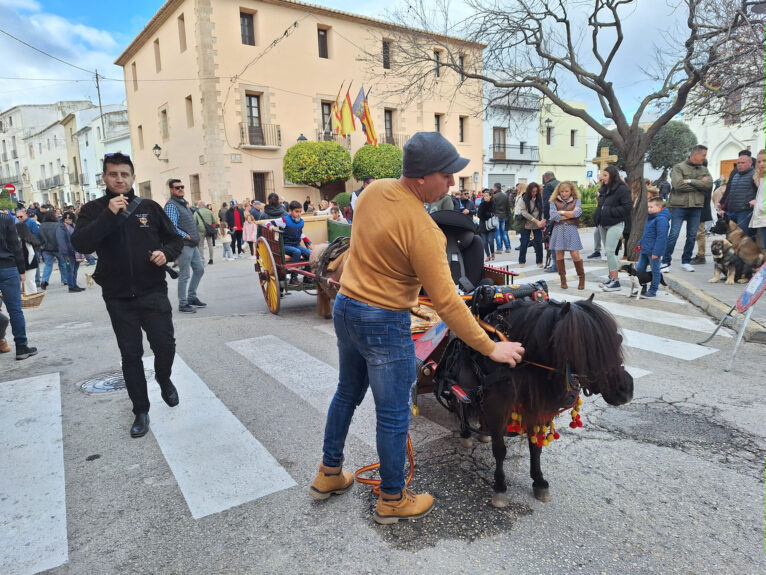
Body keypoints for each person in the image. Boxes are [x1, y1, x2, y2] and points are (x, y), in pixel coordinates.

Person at [309, 131, 524, 524]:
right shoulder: (424, 230)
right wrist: (490, 347)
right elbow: (448, 303)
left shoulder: (374, 192)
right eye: (448, 175)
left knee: (346, 393)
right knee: (392, 414)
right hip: (383, 320)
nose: (453, 183)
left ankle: (328, 473)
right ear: (423, 177)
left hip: (347, 307)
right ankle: (392, 498)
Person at [71, 153, 184, 437]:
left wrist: (165, 253)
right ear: (104, 178)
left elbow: (175, 239)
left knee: (165, 345)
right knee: (130, 354)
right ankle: (141, 411)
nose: (119, 179)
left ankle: (164, 377)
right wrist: (109, 214)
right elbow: (81, 242)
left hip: (153, 290)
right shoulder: (93, 210)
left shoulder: (149, 207)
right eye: (113, 174)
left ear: (132, 177)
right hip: (118, 297)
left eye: (124, 174)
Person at [661, 145, 713, 272]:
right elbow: (678, 185)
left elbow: (708, 184)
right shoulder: (678, 167)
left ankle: (686, 261)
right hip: (679, 206)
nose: (705, 158)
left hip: (696, 206)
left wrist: (689, 180)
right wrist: (699, 184)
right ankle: (665, 262)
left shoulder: (704, 169)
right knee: (674, 234)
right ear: (695, 154)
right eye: (703, 155)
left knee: (692, 235)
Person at [0, 209, 37, 360]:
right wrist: (21, 270)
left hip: (8, 268)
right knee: (15, 310)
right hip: (8, 267)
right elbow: (15, 246)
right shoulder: (5, 219)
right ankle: (21, 347)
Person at [164, 179, 206, 313]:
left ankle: (191, 297)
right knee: (184, 274)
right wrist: (186, 235)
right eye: (177, 187)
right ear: (171, 190)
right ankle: (183, 303)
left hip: (192, 244)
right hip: (184, 245)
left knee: (199, 269)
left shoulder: (182, 203)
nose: (180, 189)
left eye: (182, 186)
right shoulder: (171, 205)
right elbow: (171, 226)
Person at [594, 165, 631, 291]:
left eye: (605, 175)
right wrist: (598, 216)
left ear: (612, 176)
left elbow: (627, 208)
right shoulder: (604, 189)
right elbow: (601, 205)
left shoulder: (622, 189)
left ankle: (616, 281)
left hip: (615, 223)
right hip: (603, 224)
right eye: (601, 175)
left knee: (610, 251)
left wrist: (609, 211)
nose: (602, 177)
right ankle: (611, 277)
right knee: (608, 252)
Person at [265, 201, 313, 284]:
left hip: (295, 245)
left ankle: (307, 277)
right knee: (296, 252)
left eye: (300, 211)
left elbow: (300, 233)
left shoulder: (301, 221)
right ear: (290, 211)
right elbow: (267, 222)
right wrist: (271, 226)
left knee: (309, 253)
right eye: (296, 211)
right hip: (285, 245)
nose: (299, 214)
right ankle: (293, 278)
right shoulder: (284, 220)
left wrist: (309, 242)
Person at [548, 181, 585, 289]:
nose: (564, 193)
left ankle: (581, 278)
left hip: (571, 229)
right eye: (562, 191)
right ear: (558, 191)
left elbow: (577, 213)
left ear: (571, 191)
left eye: (566, 191)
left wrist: (561, 212)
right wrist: (570, 214)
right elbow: (553, 216)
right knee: (559, 255)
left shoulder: (576, 200)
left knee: (575, 255)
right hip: (558, 230)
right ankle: (563, 280)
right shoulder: (553, 201)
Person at [635, 196, 670, 299]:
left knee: (655, 271)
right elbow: (646, 234)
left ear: (659, 207)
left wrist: (657, 252)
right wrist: (639, 244)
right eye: (648, 207)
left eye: (651, 207)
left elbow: (662, 237)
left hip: (654, 251)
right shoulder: (651, 218)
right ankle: (643, 288)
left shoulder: (661, 220)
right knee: (640, 268)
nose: (648, 209)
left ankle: (653, 290)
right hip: (645, 249)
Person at [722, 150, 758, 237]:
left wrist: (756, 200)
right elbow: (731, 194)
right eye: (738, 163)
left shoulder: (755, 175)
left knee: (743, 240)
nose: (740, 165)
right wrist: (724, 208)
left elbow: (762, 192)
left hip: (744, 213)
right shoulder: (736, 175)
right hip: (731, 212)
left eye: (743, 163)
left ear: (750, 163)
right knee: (730, 238)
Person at [517, 182, 546, 268]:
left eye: (536, 191)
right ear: (529, 191)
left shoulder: (540, 198)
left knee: (538, 242)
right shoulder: (523, 198)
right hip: (526, 223)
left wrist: (542, 220)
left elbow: (543, 210)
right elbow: (523, 212)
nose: (534, 193)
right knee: (524, 242)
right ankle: (521, 261)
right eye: (533, 191)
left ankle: (539, 261)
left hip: (538, 224)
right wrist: (535, 220)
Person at [38, 210, 67, 289]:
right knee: (62, 264)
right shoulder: (58, 225)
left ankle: (44, 280)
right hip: (58, 248)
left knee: (48, 265)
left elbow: (39, 237)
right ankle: (65, 280)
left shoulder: (41, 225)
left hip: (45, 248)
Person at [57, 212, 84, 293]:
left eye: (70, 218)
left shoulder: (74, 226)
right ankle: (71, 286)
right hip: (68, 252)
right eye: (66, 218)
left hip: (76, 251)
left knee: (75, 270)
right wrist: (65, 253)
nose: (68, 220)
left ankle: (74, 284)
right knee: (69, 270)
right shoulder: (61, 228)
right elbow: (61, 241)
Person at [541, 171, 560, 271]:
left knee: (552, 242)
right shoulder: (560, 184)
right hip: (562, 216)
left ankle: (555, 266)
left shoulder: (548, 186)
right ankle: (559, 264)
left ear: (546, 178)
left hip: (552, 218)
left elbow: (547, 203)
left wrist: (546, 218)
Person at [15, 220, 39, 295]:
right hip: (30, 264)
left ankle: (32, 295)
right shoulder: (26, 239)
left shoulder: (25, 240)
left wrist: (27, 265)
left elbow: (31, 254)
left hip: (29, 265)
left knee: (29, 281)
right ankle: (30, 295)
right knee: (28, 281)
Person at [750, 149, 766, 249]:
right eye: (759, 161)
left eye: (764, 161)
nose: (761, 164)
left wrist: (759, 206)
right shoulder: (761, 178)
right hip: (763, 219)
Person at [194, 200, 216, 265]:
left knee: (201, 245)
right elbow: (214, 221)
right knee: (210, 245)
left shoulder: (196, 212)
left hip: (201, 230)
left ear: (200, 205)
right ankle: (211, 259)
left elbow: (194, 222)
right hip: (209, 231)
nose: (197, 206)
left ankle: (202, 260)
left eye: (198, 204)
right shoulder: (209, 211)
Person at [477, 189, 496, 262]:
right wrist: (487, 215)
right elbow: (479, 214)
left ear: (490, 196)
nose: (485, 197)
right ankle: (488, 255)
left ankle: (492, 253)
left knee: (490, 241)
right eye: (484, 196)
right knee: (484, 242)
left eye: (487, 196)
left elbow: (495, 213)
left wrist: (486, 215)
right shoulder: (482, 204)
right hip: (483, 225)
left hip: (491, 225)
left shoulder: (493, 204)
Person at [492, 183, 511, 253]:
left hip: (496, 216)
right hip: (503, 216)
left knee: (497, 233)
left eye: (494, 187)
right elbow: (508, 207)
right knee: (503, 232)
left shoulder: (494, 196)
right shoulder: (505, 195)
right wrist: (508, 216)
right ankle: (508, 247)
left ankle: (499, 248)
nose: (493, 189)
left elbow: (492, 207)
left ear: (496, 188)